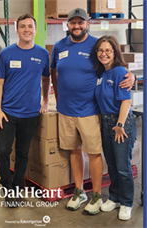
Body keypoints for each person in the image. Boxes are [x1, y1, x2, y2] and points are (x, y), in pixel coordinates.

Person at [50, 8, 135, 214]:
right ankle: (80, 192)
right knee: (73, 150)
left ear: (88, 24)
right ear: (67, 25)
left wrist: (129, 75)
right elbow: (54, 71)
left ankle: (96, 195)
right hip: (66, 111)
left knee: (94, 153)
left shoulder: (96, 45)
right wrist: (58, 98)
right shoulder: (59, 46)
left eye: (81, 22)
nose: (77, 26)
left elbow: (112, 63)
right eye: (73, 22)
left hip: (90, 110)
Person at [0, 13, 50, 206]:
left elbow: (46, 78)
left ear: (35, 30)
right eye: (23, 26)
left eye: (30, 26)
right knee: (2, 151)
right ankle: (6, 186)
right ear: (17, 30)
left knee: (22, 152)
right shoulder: (6, 53)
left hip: (31, 113)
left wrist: (46, 101)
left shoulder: (43, 54)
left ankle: (17, 187)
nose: (27, 30)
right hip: (7, 112)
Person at [93, 35, 137, 220]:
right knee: (111, 165)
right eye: (100, 50)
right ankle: (114, 197)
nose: (104, 54)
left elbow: (126, 101)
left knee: (122, 167)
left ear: (114, 52)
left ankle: (127, 202)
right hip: (105, 123)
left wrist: (119, 125)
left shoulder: (120, 71)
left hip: (121, 123)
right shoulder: (101, 73)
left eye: (108, 50)